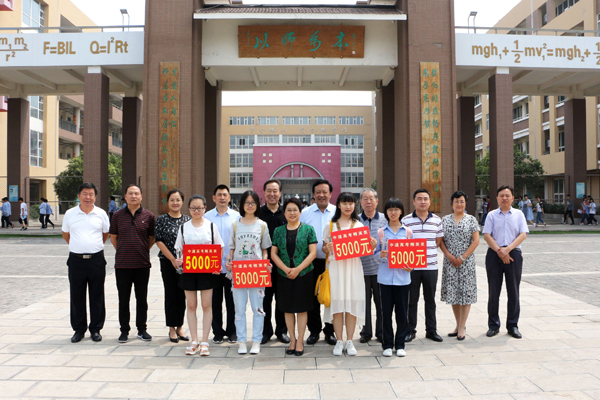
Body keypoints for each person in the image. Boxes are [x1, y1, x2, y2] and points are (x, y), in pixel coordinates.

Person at [323, 192, 371, 356]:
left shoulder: (359, 225)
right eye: (344, 203)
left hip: (353, 268)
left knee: (351, 304)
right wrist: (327, 248)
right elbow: (324, 247)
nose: (348, 206)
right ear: (339, 205)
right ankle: (339, 340)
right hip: (336, 269)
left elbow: (364, 249)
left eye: (351, 203)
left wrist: (371, 244)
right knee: (337, 305)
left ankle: (350, 340)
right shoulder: (330, 225)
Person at [62, 183, 110, 343]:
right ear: (79, 195)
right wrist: (78, 246)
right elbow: (66, 234)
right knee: (77, 295)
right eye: (84, 194)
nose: (87, 197)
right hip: (76, 260)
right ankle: (78, 329)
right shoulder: (70, 214)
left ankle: (96, 329)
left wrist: (92, 246)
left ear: (95, 196)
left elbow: (105, 234)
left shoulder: (101, 214)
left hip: (96, 260)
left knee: (97, 295)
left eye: (91, 194)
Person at [174, 195, 223, 356]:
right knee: (191, 305)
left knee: (207, 305)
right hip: (189, 271)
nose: (196, 211)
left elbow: (219, 247)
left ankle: (204, 341)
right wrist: (179, 260)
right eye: (193, 208)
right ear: (189, 209)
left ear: (205, 208)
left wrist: (217, 264)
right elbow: (179, 249)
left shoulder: (211, 226)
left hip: (207, 271)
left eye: (199, 208)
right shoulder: (184, 227)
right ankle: (194, 340)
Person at [226, 190, 272, 355]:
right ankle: (241, 341)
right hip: (239, 272)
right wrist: (229, 261)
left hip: (257, 272)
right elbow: (232, 249)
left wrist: (265, 263)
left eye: (253, 202)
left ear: (257, 205)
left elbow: (265, 249)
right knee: (239, 309)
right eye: (247, 202)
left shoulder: (262, 225)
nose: (250, 205)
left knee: (258, 308)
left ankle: (256, 340)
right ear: (242, 205)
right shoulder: (235, 225)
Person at [270, 197, 317, 356]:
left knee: (302, 309)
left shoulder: (308, 229)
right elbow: (274, 253)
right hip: (283, 275)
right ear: (284, 213)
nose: (292, 213)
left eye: (295, 210)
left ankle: (300, 340)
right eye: (288, 210)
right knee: (287, 309)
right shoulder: (278, 231)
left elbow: (312, 253)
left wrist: (297, 269)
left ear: (300, 212)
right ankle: (292, 339)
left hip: (304, 274)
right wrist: (285, 269)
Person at [109, 184, 156, 343]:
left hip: (142, 264)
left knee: (142, 299)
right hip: (122, 265)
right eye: (130, 193)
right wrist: (123, 250)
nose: (134, 196)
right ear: (125, 196)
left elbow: (151, 238)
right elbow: (113, 237)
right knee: (123, 299)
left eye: (136, 193)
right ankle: (124, 330)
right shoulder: (117, 216)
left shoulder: (149, 216)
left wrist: (142, 249)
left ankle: (142, 329)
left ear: (141, 196)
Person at [483, 185, 528, 339]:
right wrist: (500, 251)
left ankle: (513, 325)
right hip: (494, 254)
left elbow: (523, 234)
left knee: (513, 291)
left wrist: (507, 249)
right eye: (501, 195)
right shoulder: (491, 215)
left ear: (512, 198)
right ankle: (493, 325)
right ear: (497, 198)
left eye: (507, 195)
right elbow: (487, 235)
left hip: (513, 253)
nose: (504, 198)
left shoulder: (519, 214)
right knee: (493, 292)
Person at [401, 188, 444, 343]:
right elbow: (403, 243)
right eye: (419, 199)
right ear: (414, 201)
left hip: (431, 267)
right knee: (411, 300)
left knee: (430, 300)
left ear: (430, 201)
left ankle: (431, 331)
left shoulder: (437, 221)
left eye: (425, 199)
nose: (423, 201)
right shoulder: (405, 221)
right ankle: (410, 330)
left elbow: (437, 242)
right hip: (412, 268)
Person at [299, 179, 337, 346]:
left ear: (330, 194)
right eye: (318, 192)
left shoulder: (337, 212)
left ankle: (330, 331)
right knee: (311, 297)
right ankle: (314, 331)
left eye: (325, 192)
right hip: (311, 262)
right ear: (313, 194)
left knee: (331, 297)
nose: (322, 195)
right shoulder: (305, 213)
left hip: (332, 262)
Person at [439, 191, 480, 341]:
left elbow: (476, 241)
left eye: (462, 201)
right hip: (450, 262)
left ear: (465, 203)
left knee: (466, 294)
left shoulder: (471, 220)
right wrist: (449, 255)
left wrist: (463, 257)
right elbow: (440, 241)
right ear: (452, 203)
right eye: (456, 201)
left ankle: (463, 326)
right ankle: (457, 325)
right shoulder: (444, 220)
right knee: (453, 294)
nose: (459, 204)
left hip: (466, 263)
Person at [375, 198, 412, 357]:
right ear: (386, 212)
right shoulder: (381, 232)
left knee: (402, 313)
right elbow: (375, 254)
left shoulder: (408, 232)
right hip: (385, 278)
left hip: (403, 279)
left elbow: (413, 254)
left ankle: (400, 344)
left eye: (396, 209)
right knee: (386, 313)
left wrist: (411, 266)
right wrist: (381, 255)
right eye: (390, 209)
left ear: (401, 211)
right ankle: (387, 344)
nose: (393, 212)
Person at [154, 189, 191, 343]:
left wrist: (182, 259)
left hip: (185, 263)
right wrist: (172, 259)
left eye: (178, 200)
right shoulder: (162, 220)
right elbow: (159, 241)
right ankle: (171, 327)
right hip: (167, 262)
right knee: (170, 294)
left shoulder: (188, 220)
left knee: (182, 294)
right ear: (167, 202)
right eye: (172, 200)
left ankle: (180, 326)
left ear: (182, 202)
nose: (175, 203)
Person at [205, 184, 239, 344]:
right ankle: (217, 332)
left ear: (229, 197)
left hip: (232, 267)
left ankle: (232, 331)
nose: (222, 198)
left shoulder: (237, 217)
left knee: (233, 302)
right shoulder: (207, 217)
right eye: (219, 195)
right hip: (213, 268)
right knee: (214, 302)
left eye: (225, 195)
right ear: (214, 198)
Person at [258, 179, 290, 345]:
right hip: (263, 264)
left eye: (275, 191)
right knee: (264, 299)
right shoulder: (258, 213)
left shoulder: (286, 213)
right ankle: (265, 331)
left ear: (280, 193)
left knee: (282, 299)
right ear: (264, 193)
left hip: (283, 264)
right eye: (269, 191)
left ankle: (281, 330)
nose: (272, 194)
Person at [358, 188, 386, 344]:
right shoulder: (355, 220)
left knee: (381, 302)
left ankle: (381, 331)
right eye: (365, 199)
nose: (368, 202)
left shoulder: (384, 219)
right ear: (360, 202)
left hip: (380, 268)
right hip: (360, 268)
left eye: (371, 199)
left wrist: (379, 246)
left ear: (377, 201)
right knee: (364, 303)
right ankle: (366, 331)